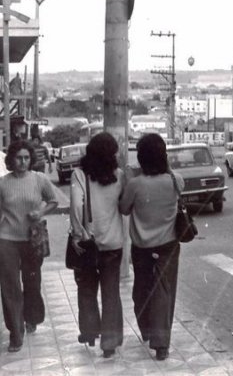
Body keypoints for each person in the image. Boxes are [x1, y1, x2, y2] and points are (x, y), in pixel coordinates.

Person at [119, 133, 182, 361]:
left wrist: (131, 176)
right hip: (168, 245)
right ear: (163, 156)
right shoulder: (175, 181)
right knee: (164, 293)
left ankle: (146, 330)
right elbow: (170, 174)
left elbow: (124, 209)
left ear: (142, 157)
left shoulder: (135, 184)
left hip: (142, 247)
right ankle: (161, 344)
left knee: (141, 290)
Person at [69, 132, 124, 358]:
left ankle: (90, 332)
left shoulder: (79, 175)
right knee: (111, 292)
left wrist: (77, 234)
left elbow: (76, 206)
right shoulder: (119, 175)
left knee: (86, 289)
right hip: (113, 242)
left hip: (88, 243)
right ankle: (109, 344)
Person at [0, 139, 58, 353]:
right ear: (11, 159)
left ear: (31, 159)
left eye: (26, 158)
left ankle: (31, 317)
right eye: (18, 158)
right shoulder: (3, 183)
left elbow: (53, 201)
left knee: (32, 282)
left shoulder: (39, 179)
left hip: (32, 239)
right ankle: (16, 333)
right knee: (9, 286)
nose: (23, 162)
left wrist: (40, 213)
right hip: (6, 240)